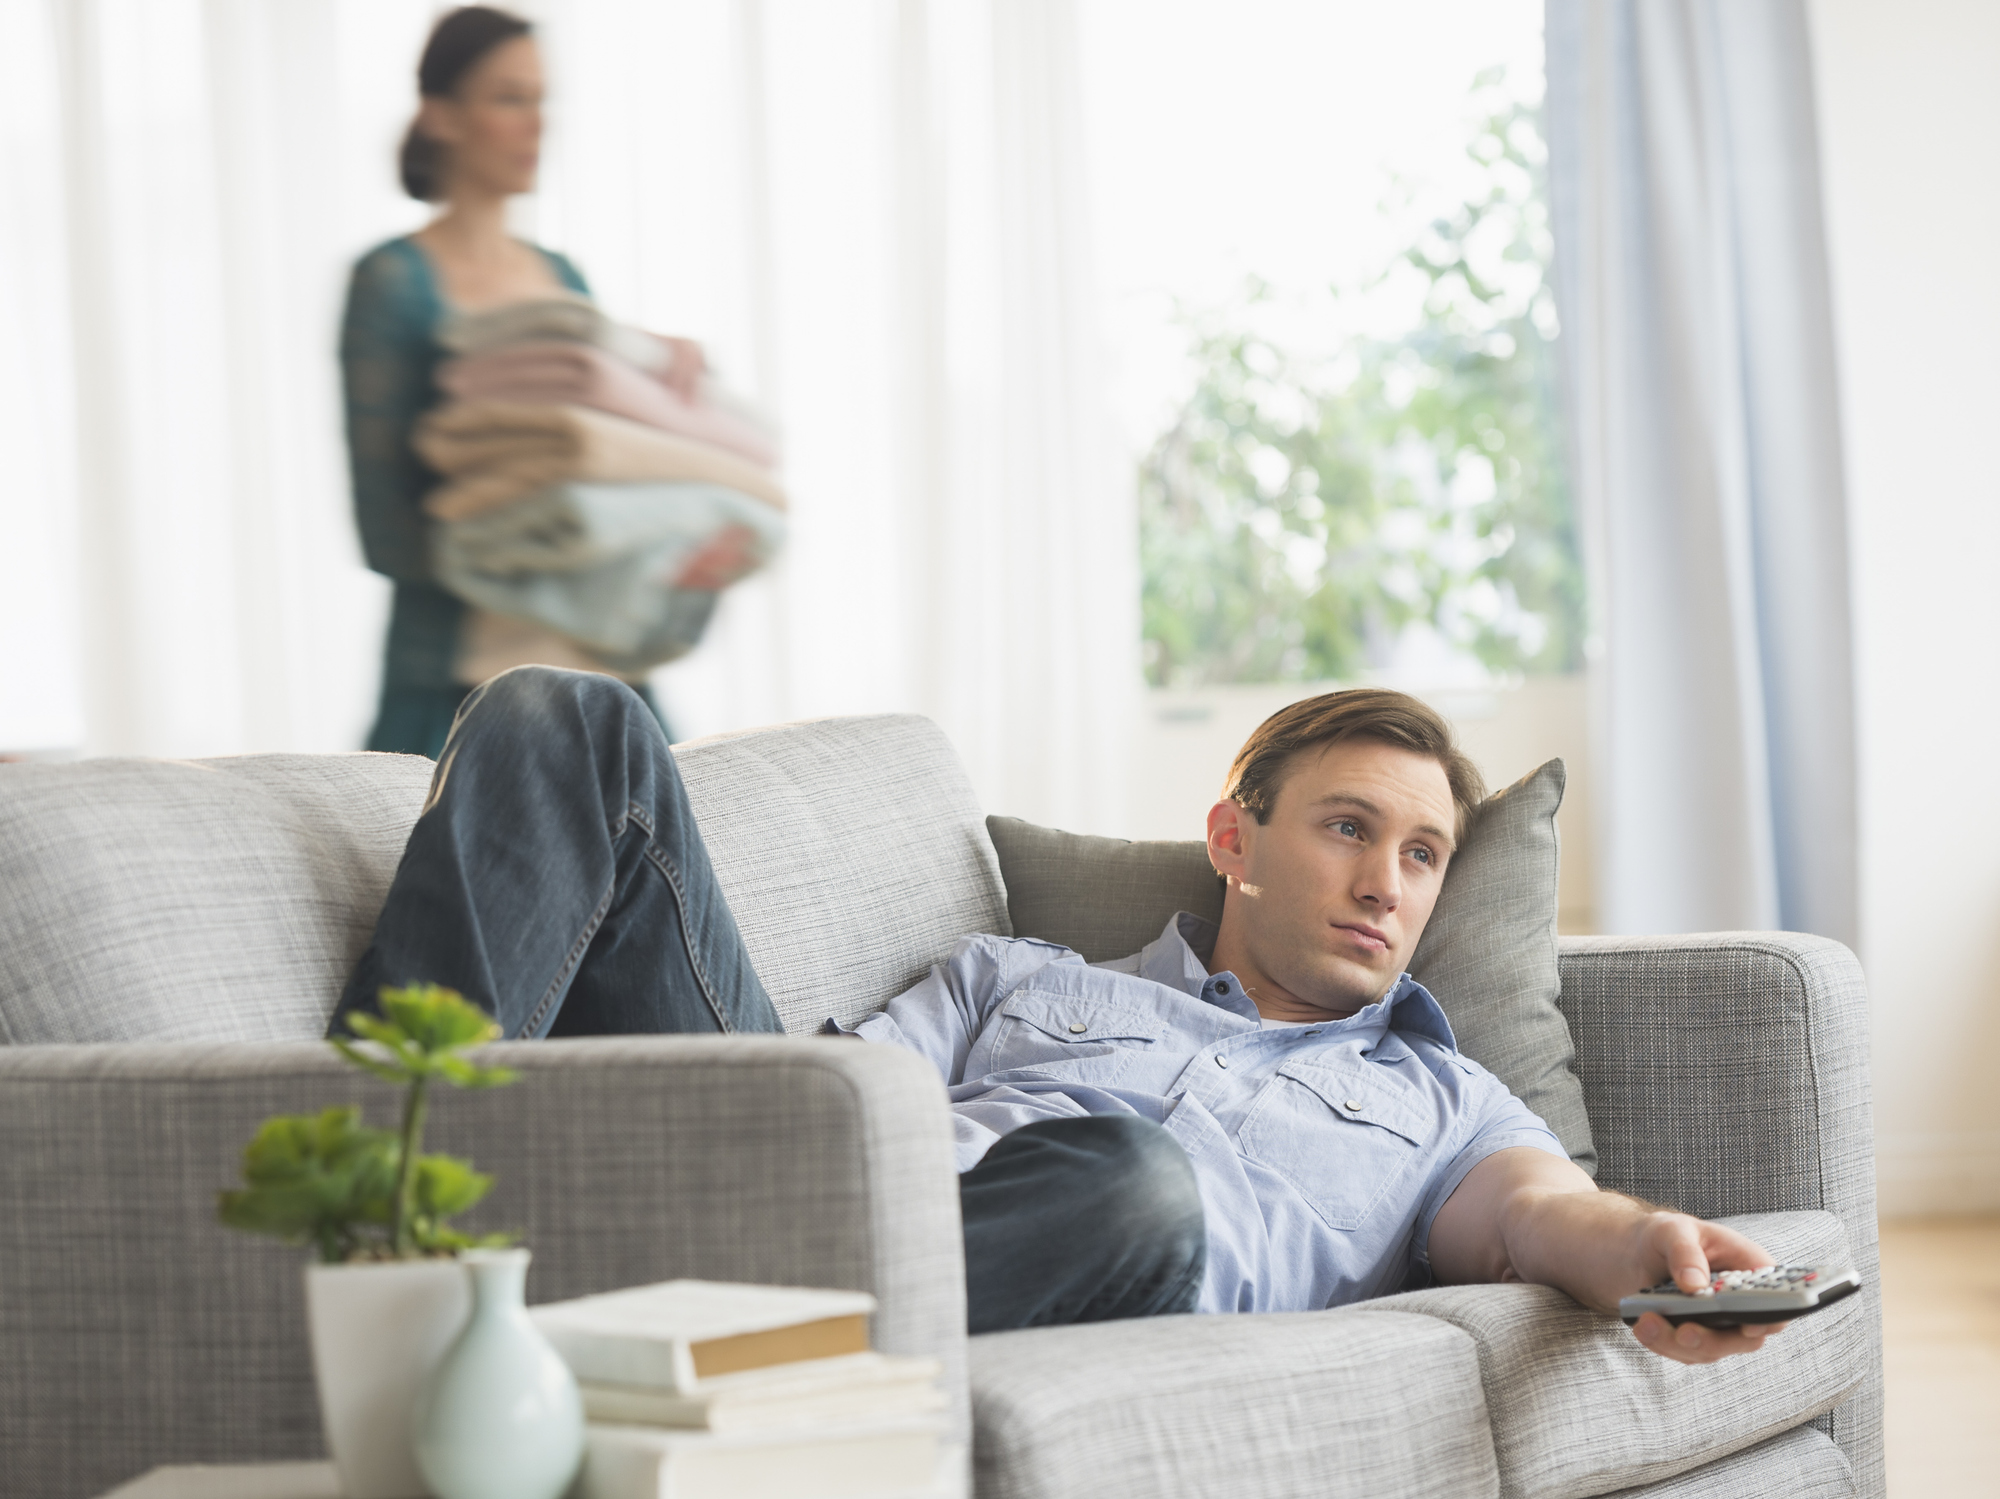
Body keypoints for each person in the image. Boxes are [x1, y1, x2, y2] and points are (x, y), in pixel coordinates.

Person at [333, 666, 1786, 1364]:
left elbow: (1545, 1212)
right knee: (567, 713)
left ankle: (573, 1305)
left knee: (1134, 1178)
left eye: (1422, 854)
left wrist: (1648, 1251)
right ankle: (370, 1207)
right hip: (831, 1200)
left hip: (1080, 1252)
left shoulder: (1440, 1098)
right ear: (1234, 836)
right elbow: (824, 1115)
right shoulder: (1019, 973)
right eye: (1350, 827)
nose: (1389, 884)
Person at [341, 6, 699, 758]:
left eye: (542, 99)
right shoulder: (393, 283)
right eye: (510, 97)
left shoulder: (561, 279)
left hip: (603, 671)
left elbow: (601, 462)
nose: (537, 123)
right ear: (440, 114)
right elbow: (387, 532)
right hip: (461, 685)